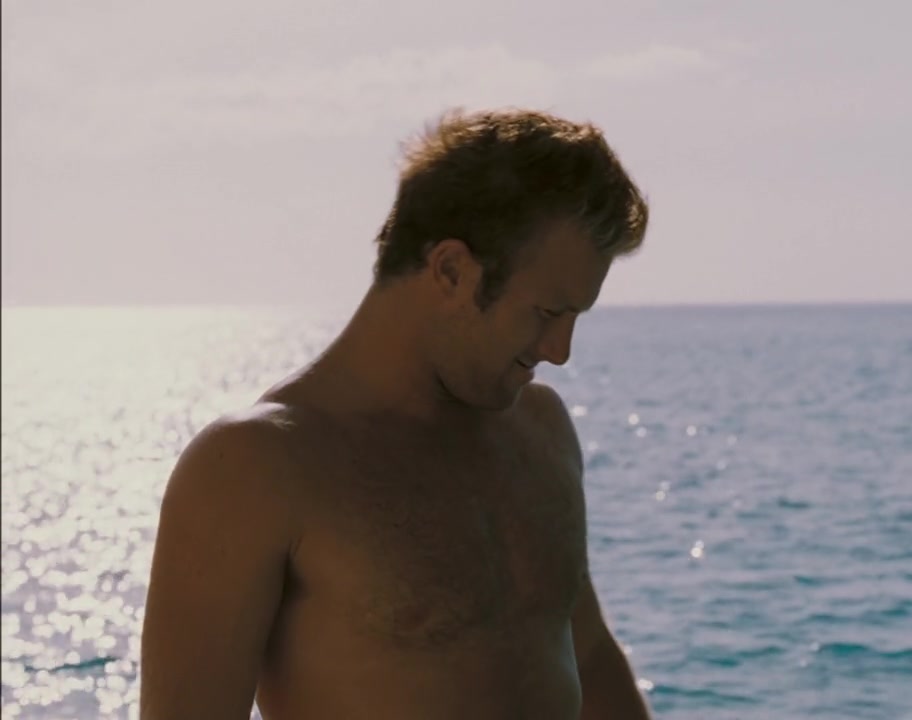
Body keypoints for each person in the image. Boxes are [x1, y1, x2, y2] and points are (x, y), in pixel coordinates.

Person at [139, 108, 653, 719]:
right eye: (547, 313)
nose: (560, 351)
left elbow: (588, 655)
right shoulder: (255, 466)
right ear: (451, 270)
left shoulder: (541, 429)